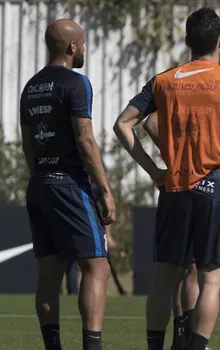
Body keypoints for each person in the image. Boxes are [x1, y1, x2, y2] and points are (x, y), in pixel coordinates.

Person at [113, 7, 220, 350]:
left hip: (174, 186)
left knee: (164, 277)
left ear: (188, 41)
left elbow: (123, 124)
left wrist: (154, 170)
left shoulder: (164, 80)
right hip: (216, 186)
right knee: (210, 280)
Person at [141, 22, 220, 350]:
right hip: (208, 184)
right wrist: (176, 153)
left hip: (178, 185)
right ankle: (190, 339)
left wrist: (168, 161)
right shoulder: (217, 81)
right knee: (197, 271)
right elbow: (151, 123)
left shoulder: (170, 79)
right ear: (219, 43)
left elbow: (139, 122)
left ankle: (179, 337)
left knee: (175, 270)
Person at [19, 18, 115, 350]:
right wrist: (104, 190)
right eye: (84, 43)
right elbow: (86, 140)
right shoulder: (77, 83)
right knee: (97, 268)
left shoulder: (30, 87)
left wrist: (40, 177)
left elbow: (28, 146)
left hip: (39, 184)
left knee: (49, 273)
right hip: (70, 185)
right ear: (72, 47)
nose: (84, 48)